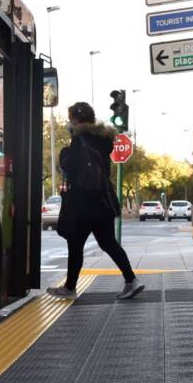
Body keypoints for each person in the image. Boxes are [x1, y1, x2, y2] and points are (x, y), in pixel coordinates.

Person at [46, 102, 146, 300]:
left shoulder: (80, 139)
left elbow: (71, 167)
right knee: (108, 242)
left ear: (76, 119)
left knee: (75, 245)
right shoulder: (103, 140)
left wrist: (65, 154)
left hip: (83, 203)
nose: (68, 122)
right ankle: (131, 280)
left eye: (70, 118)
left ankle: (70, 288)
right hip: (102, 200)